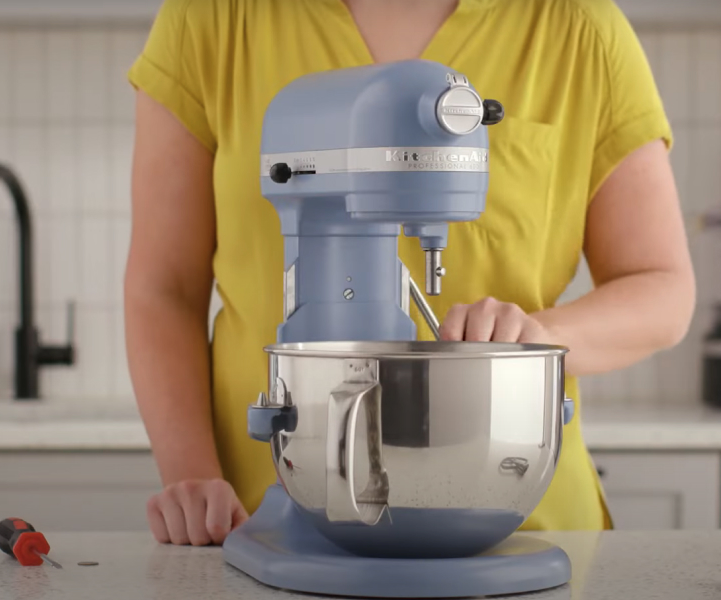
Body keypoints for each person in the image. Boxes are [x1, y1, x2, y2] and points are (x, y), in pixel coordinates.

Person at [125, 0, 695, 546]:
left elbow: (662, 286)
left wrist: (539, 337)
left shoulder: (580, 29)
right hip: (259, 515)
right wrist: (192, 479)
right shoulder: (214, 17)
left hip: (525, 514)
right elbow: (163, 288)